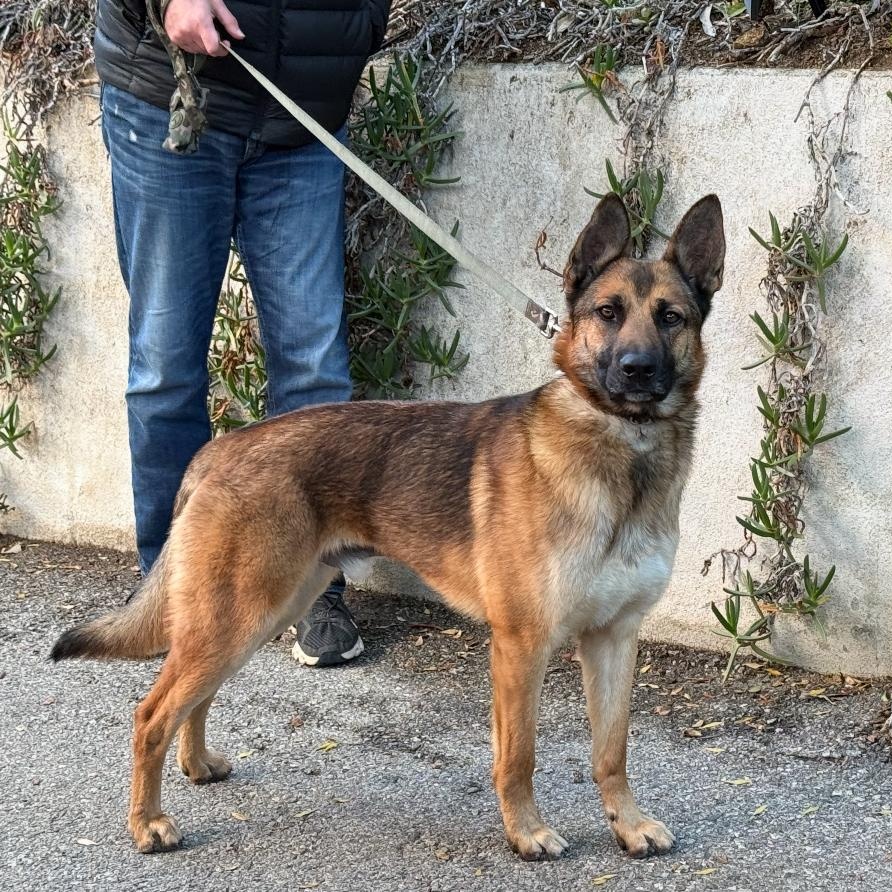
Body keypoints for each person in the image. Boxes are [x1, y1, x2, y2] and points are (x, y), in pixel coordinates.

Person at [95, 0, 390, 665]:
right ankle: (171, 594)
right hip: (175, 98)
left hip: (302, 118)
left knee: (315, 372)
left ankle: (314, 589)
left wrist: (359, 24)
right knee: (166, 371)